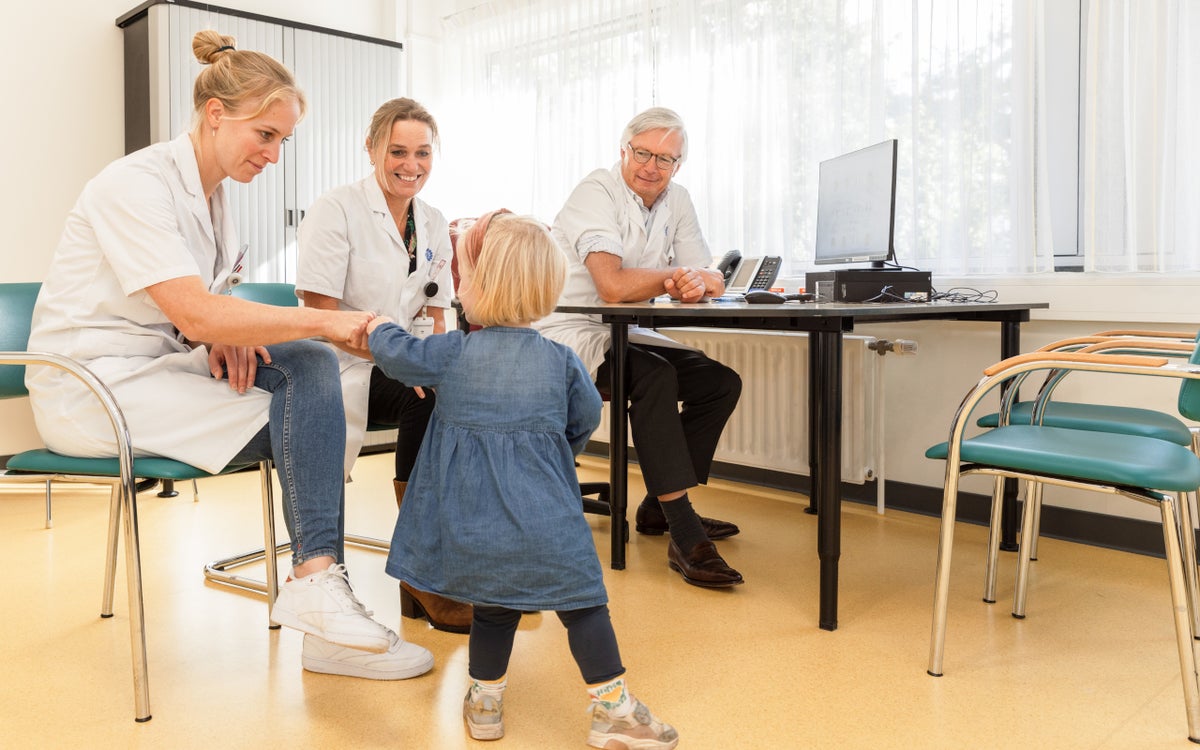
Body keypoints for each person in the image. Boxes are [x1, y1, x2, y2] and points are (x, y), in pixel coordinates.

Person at [25, 31, 432, 681]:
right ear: (217, 115)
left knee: (308, 367)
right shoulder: (134, 184)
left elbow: (201, 314)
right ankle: (320, 597)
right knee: (313, 408)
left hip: (155, 367)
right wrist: (329, 321)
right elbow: (191, 309)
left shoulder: (220, 207)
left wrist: (222, 333)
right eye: (264, 135)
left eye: (282, 141)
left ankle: (317, 590)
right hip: (91, 387)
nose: (273, 154)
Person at [357, 211, 678, 749]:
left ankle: (485, 703)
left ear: (478, 287)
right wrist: (548, 455)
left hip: (475, 522)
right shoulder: (562, 361)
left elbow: (398, 355)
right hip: (549, 519)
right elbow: (582, 421)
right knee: (584, 607)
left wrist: (375, 325)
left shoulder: (451, 353)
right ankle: (614, 712)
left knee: (494, 606)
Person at [534, 107, 745, 588]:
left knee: (718, 382)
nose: (652, 167)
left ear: (678, 166)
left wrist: (700, 280)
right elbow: (610, 285)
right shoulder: (596, 191)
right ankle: (685, 530)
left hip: (623, 330)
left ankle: (657, 507)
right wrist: (677, 278)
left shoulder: (679, 200)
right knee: (655, 377)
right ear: (624, 151)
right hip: (569, 330)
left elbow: (705, 271)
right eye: (643, 153)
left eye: (666, 159)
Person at [296, 97, 470, 634]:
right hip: (340, 366)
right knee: (431, 400)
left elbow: (437, 311)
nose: (410, 164)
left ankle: (453, 560)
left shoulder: (434, 221)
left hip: (403, 362)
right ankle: (422, 569)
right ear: (371, 149)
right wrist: (405, 362)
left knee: (460, 393)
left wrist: (435, 361)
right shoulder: (337, 208)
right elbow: (318, 311)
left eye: (422, 153)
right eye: (397, 151)